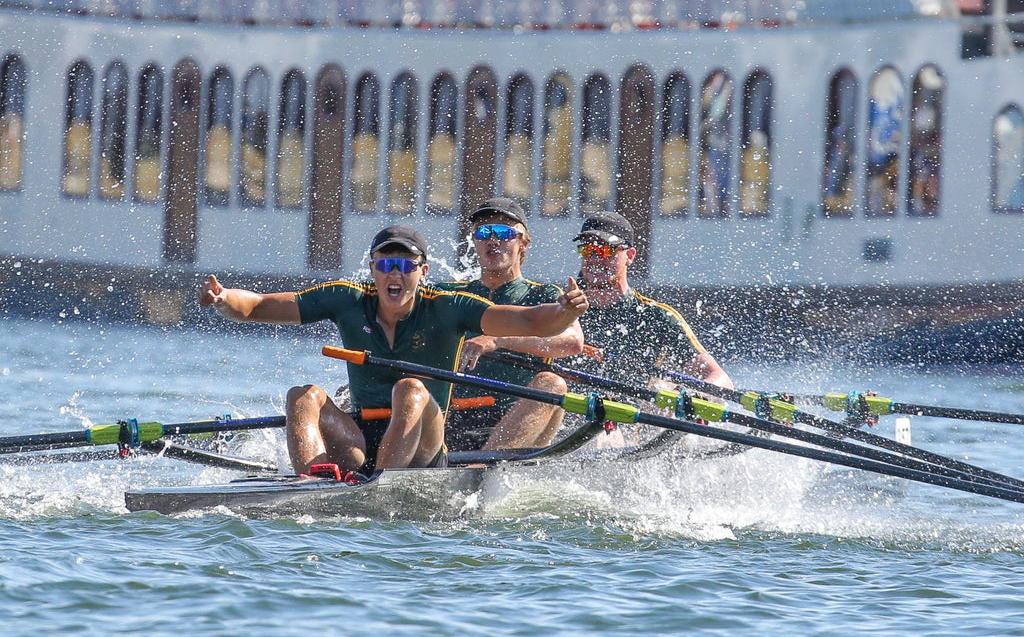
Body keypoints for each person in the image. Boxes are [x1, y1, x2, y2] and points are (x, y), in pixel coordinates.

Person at [198, 224, 588, 476]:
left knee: (410, 388)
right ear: (372, 269)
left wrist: (564, 310)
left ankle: (380, 488)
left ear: (423, 272)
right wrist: (223, 298)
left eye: (406, 264)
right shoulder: (346, 299)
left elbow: (530, 322)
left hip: (426, 443)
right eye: (386, 264)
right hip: (359, 441)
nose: (395, 274)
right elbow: (259, 306)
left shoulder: (448, 307)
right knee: (303, 396)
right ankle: (311, 485)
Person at [435, 197, 584, 451]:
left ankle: (485, 466)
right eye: (484, 232)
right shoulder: (447, 295)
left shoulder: (544, 296)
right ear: (475, 242)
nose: (493, 240)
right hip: (448, 420)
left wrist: (496, 340)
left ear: (523, 243)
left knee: (552, 384)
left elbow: (572, 342)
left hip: (514, 421)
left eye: (504, 233)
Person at [569, 211, 733, 391]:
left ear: (630, 255)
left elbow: (719, 378)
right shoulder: (561, 310)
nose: (594, 259)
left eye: (605, 250)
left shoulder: (656, 317)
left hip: (631, 414)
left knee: (665, 390)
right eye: (587, 250)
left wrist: (694, 395)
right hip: (565, 412)